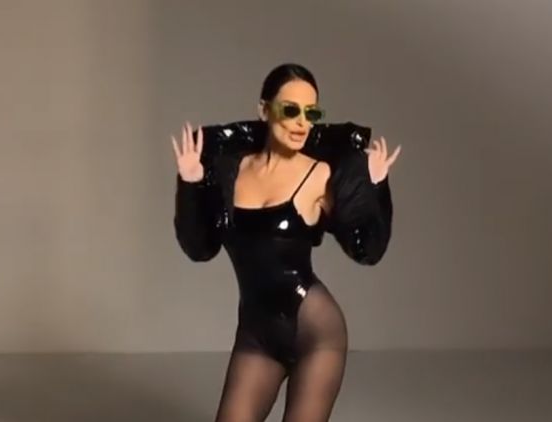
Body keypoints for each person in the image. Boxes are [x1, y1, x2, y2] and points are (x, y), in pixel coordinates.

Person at [171, 63, 401, 422]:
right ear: (264, 110)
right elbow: (199, 247)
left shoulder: (319, 175)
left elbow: (367, 249)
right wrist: (191, 184)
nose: (301, 123)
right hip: (256, 333)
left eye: (312, 113)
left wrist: (374, 187)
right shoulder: (231, 171)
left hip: (317, 334)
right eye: (290, 110)